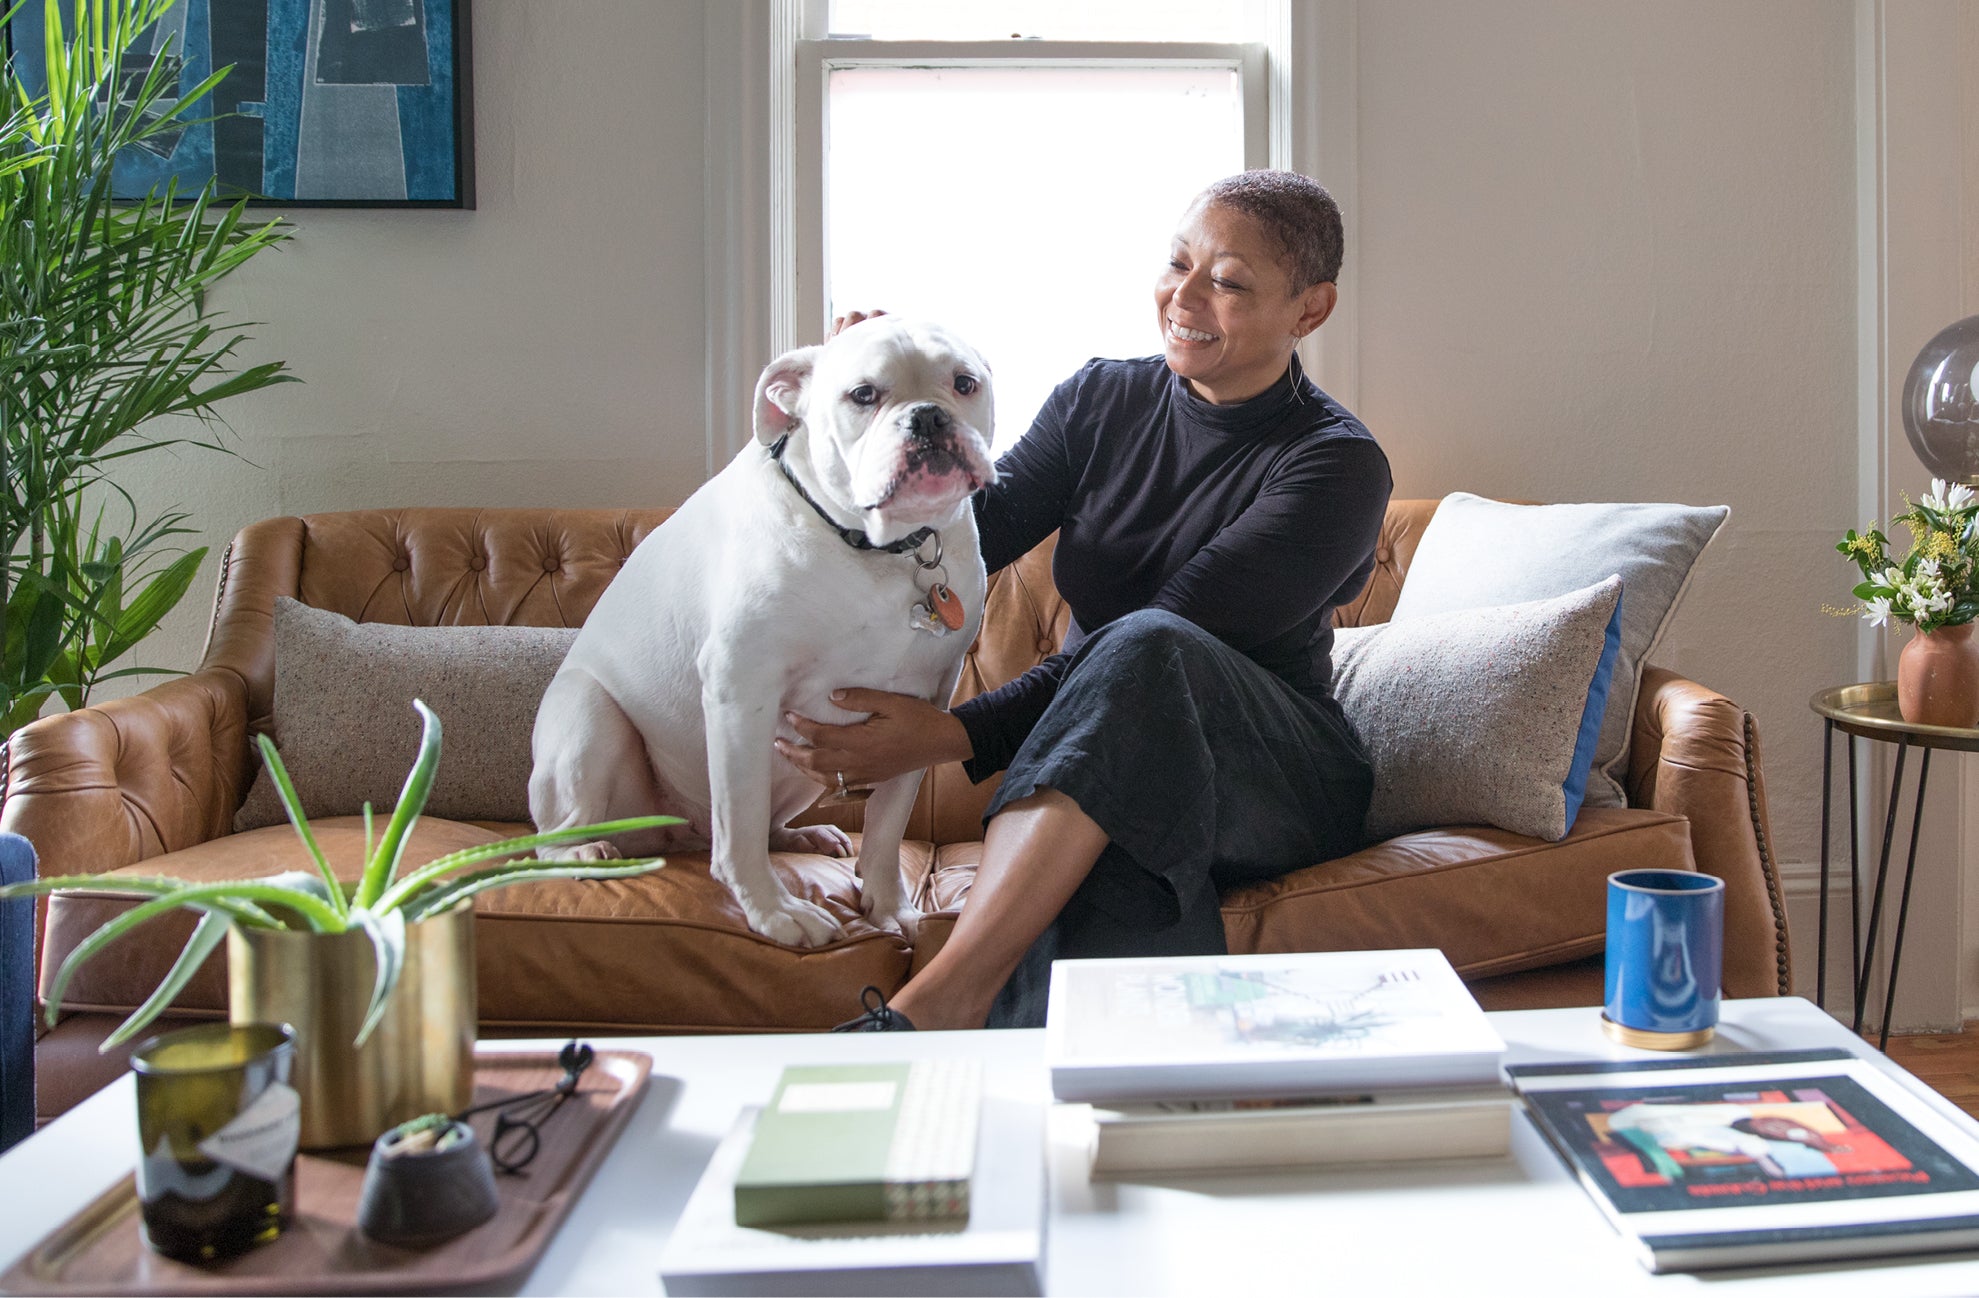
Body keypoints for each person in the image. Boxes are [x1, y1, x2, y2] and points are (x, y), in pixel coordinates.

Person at [774, 170, 1393, 1030]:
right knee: (1109, 859)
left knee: (1146, 644)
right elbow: (958, 539)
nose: (1184, 297)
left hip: (1272, 772)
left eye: (1229, 282)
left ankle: (939, 1003)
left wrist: (951, 736)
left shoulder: (1334, 465)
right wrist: (866, 406)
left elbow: (1167, 634)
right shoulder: (1102, 399)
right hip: (1101, 758)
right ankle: (1092, 1123)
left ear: (1309, 310)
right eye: (1178, 263)